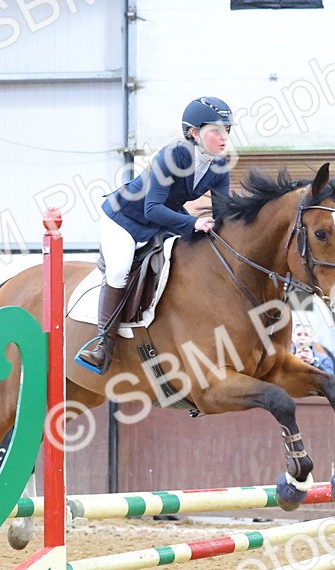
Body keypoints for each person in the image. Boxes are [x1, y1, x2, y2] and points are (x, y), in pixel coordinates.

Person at [76, 96, 234, 374]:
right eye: (216, 132)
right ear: (194, 133)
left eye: (227, 131)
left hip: (165, 219)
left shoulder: (219, 166)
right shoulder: (174, 156)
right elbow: (151, 209)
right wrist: (194, 223)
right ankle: (103, 344)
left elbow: (223, 215)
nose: (224, 139)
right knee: (119, 271)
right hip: (124, 218)